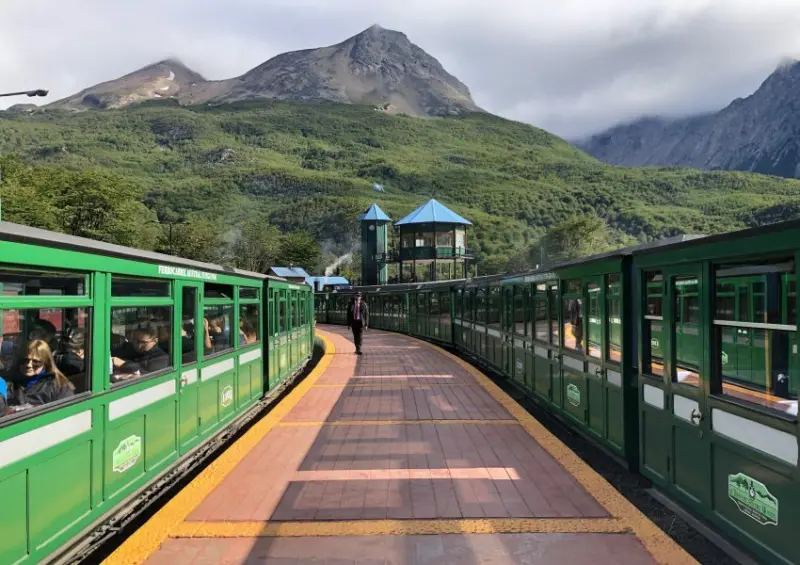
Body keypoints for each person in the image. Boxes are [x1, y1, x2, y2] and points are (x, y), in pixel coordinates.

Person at [6, 339, 75, 411]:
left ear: (46, 362)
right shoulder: (9, 381)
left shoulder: (59, 386)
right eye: (24, 360)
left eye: (36, 361)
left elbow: (66, 414)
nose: (28, 365)